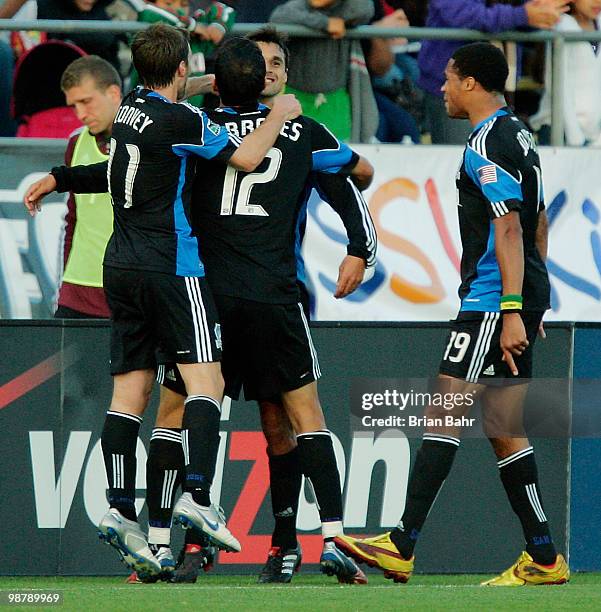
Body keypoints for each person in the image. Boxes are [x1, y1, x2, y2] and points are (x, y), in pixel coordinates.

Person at [24, 23, 302, 580]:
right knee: (209, 383)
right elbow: (246, 158)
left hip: (119, 270)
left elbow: (117, 168)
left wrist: (60, 177)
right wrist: (279, 113)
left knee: (130, 392)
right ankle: (197, 496)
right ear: (180, 68)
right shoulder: (186, 121)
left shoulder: (129, 110)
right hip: (172, 267)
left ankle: (122, 509)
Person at [335, 42, 570, 587]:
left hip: (492, 301)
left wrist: (513, 307)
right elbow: (538, 219)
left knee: (446, 409)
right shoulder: (520, 134)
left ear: (470, 84)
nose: (440, 87)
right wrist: (537, 293)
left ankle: (402, 541)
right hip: (515, 295)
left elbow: (510, 227)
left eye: (447, 78)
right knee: (504, 426)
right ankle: (542, 555)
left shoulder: (485, 144)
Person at [166, 27, 376, 585]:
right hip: (259, 294)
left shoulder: (199, 126)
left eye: (280, 61)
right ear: (252, 77)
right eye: (264, 63)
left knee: (214, 412)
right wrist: (361, 250)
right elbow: (356, 179)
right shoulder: (301, 129)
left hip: (210, 293)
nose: (273, 69)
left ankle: (243, 543)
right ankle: (319, 539)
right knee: (291, 416)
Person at [418, 0, 570, 144]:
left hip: (498, 88)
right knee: (461, 161)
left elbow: (525, 17)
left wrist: (540, 12)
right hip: (454, 86)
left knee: (494, 162)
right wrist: (522, 15)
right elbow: (462, 15)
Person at [52, 56, 121, 319]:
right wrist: (63, 285)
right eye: (74, 106)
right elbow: (73, 219)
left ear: (114, 93)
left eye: (86, 101)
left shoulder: (152, 140)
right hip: (76, 293)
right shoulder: (75, 144)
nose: (80, 114)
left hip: (128, 293)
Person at [270, 0, 376, 141]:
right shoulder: (299, 6)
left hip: (335, 101)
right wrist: (325, 23)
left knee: (338, 156)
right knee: (292, 154)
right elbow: (278, 18)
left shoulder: (345, 9)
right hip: (295, 98)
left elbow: (364, 9)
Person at [531, 0, 601, 145]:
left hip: (593, 135)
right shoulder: (562, 25)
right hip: (558, 130)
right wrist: (575, 138)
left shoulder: (598, 23)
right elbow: (557, 85)